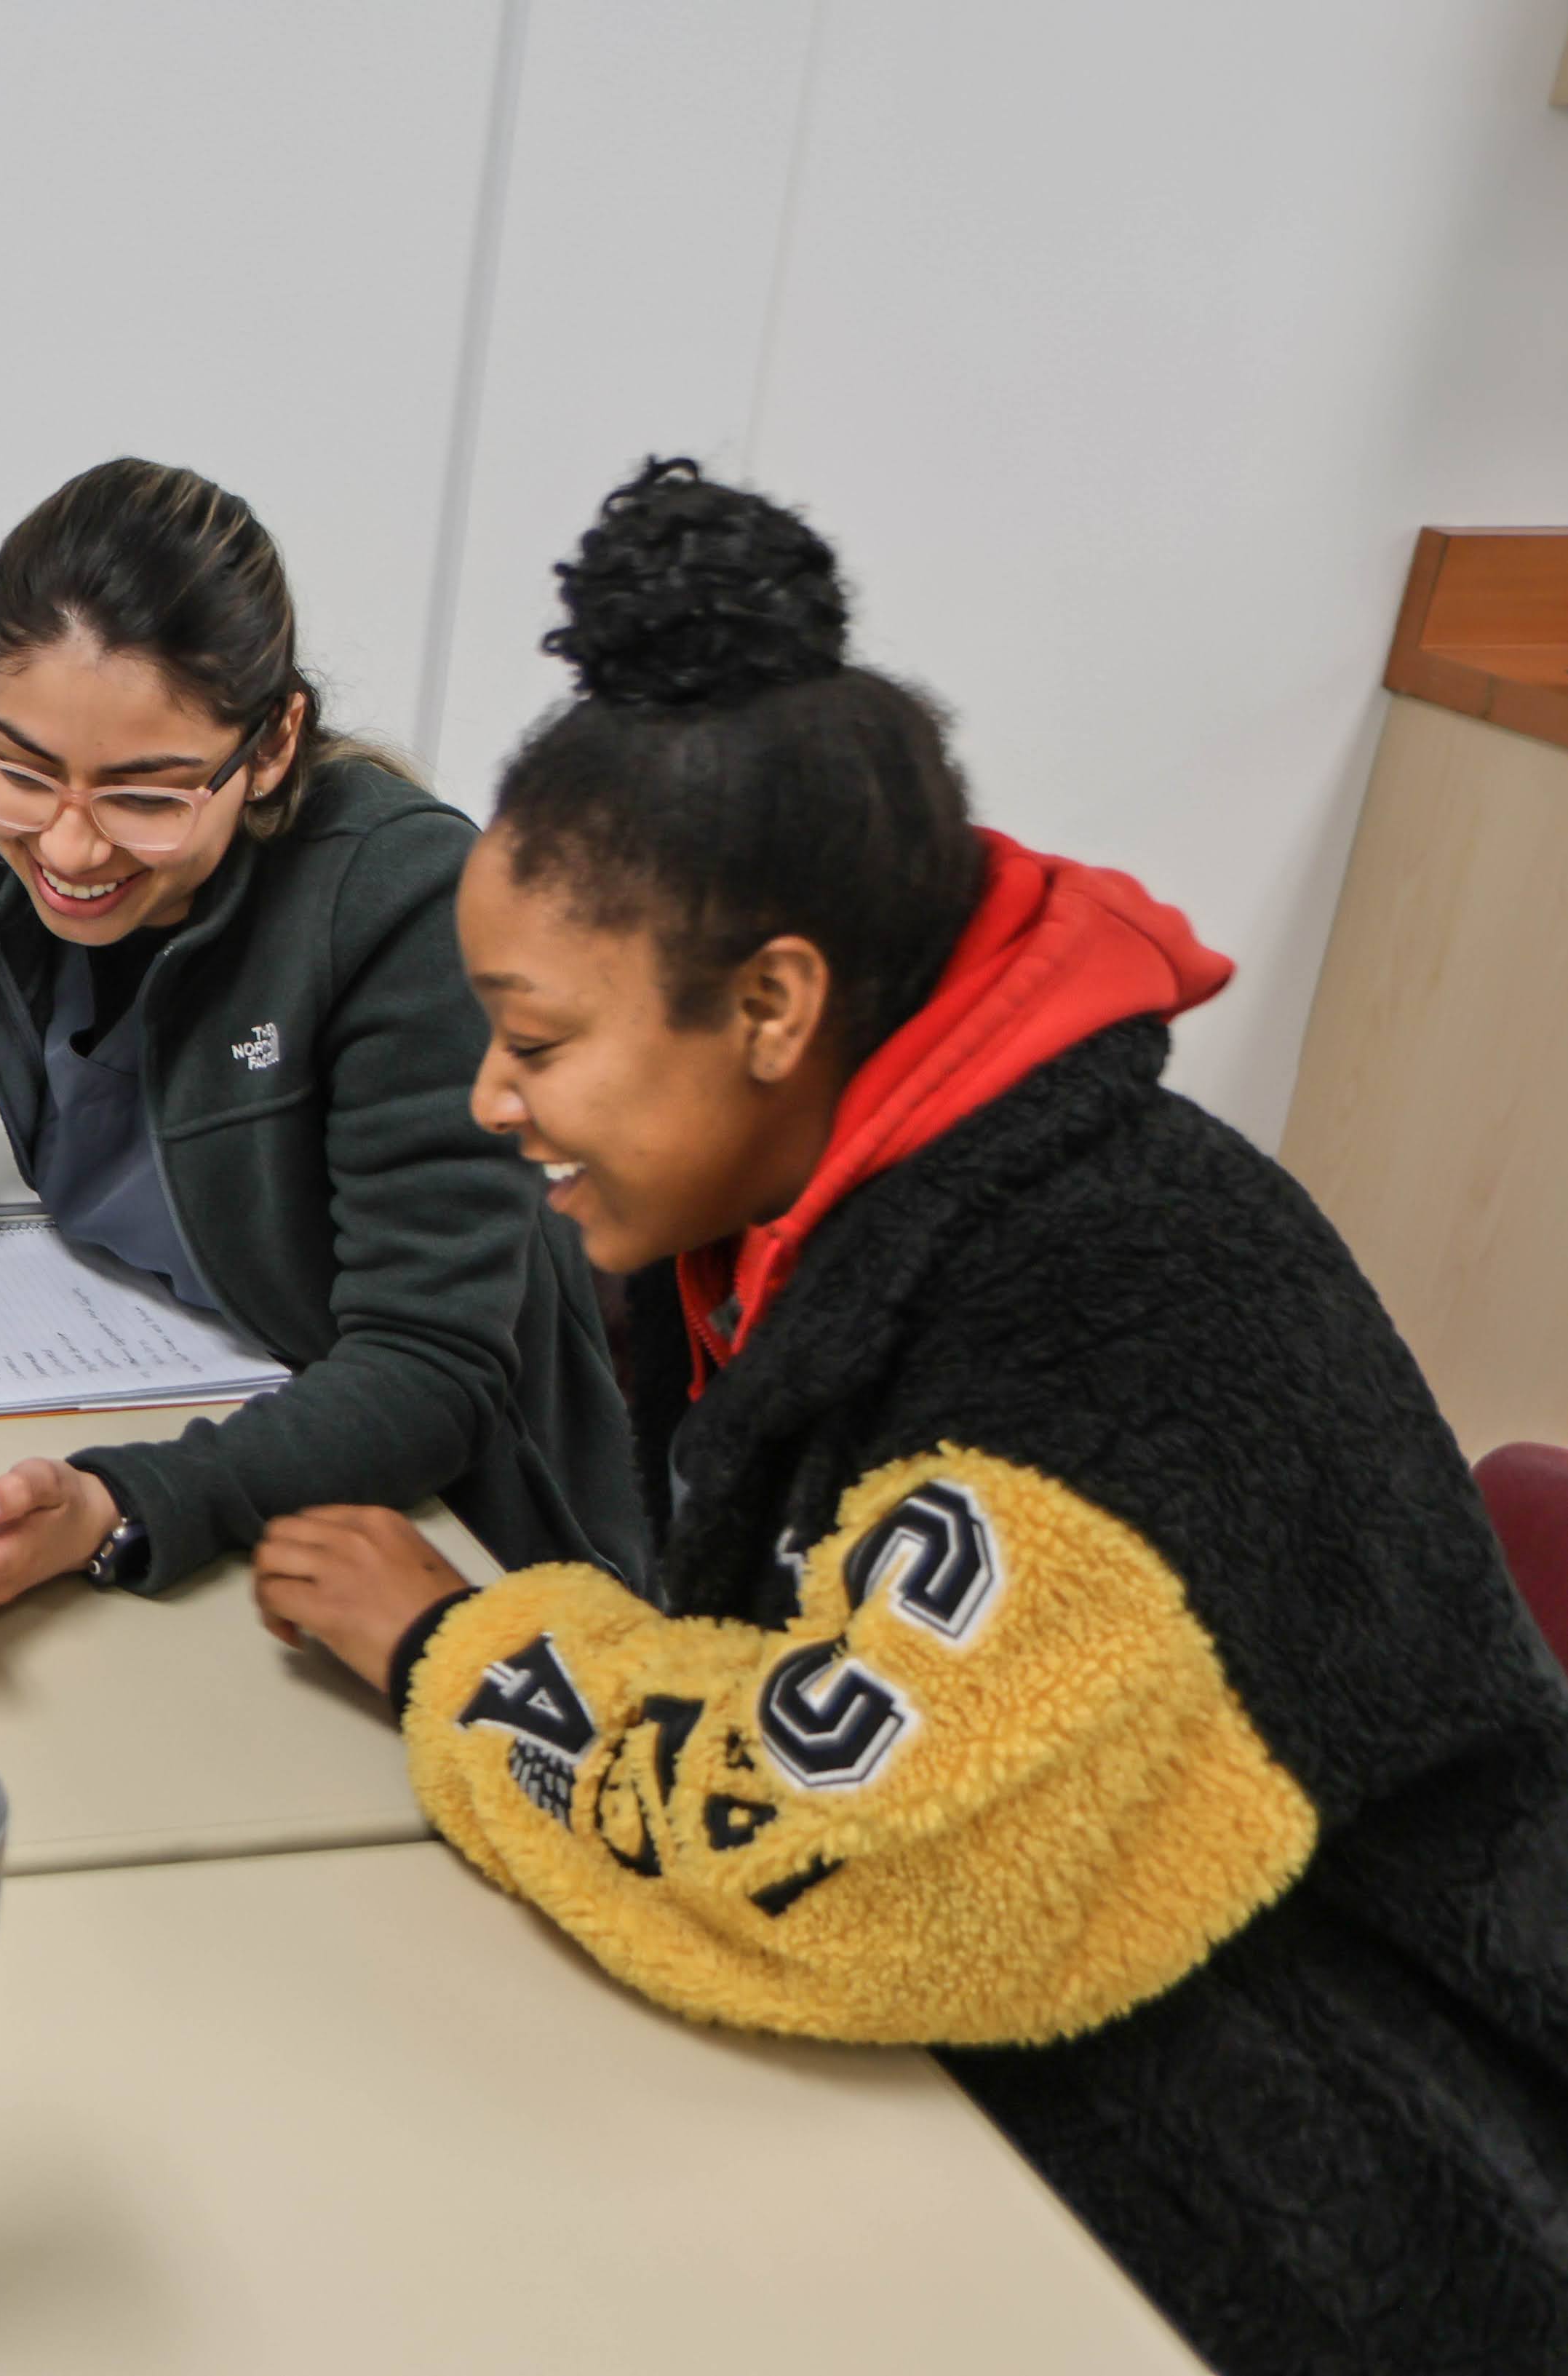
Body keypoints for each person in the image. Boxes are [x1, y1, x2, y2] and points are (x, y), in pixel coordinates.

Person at [255, 458, 1568, 2372]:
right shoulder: (821, 1211)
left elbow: (857, 1869)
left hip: (1370, 2198)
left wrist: (456, 1649)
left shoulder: (1114, 1310)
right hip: (1090, 2068)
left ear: (775, 1005)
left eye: (537, 1042)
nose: (489, 1101)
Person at [0, 456, 643, 1612]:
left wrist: (118, 1508)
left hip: (458, 1536)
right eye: (20, 767)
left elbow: (428, 1373)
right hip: (209, 1392)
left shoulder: (401, 901)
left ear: (268, 746)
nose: (66, 847)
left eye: (145, 796)